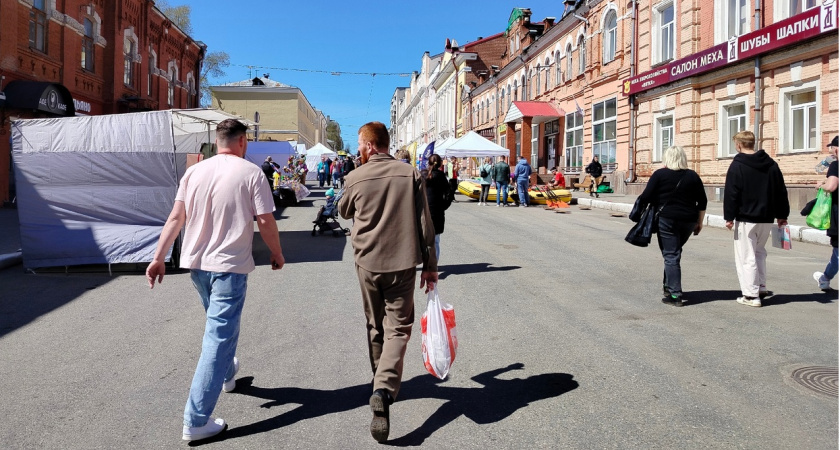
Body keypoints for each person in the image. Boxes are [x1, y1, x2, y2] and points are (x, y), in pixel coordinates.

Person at [145, 119, 285, 442]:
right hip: (229, 267)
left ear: (218, 141)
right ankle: (196, 420)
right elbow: (265, 221)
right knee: (218, 338)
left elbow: (176, 217)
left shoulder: (194, 172)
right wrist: (277, 253)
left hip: (196, 266)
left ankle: (226, 372)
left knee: (219, 328)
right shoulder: (251, 173)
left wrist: (158, 257)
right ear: (242, 142)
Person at [338, 121, 438, 443]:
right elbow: (426, 223)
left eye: (360, 146)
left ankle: (379, 381)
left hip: (367, 263)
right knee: (399, 328)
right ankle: (384, 387)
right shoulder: (409, 173)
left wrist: (355, 174)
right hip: (403, 263)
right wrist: (430, 266)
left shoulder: (356, 177)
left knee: (374, 325)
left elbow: (341, 210)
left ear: (368, 146)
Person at [724, 130, 789, 308]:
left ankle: (751, 295)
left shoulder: (737, 166)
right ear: (753, 143)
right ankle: (761, 287)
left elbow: (732, 193)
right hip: (766, 218)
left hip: (746, 218)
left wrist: (729, 217)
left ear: (738, 145)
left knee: (746, 256)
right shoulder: (771, 165)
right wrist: (782, 215)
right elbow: (781, 191)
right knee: (759, 252)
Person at [637, 146, 707, 306]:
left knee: (671, 255)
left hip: (667, 219)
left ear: (667, 158)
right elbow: (702, 201)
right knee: (674, 252)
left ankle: (675, 294)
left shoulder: (660, 174)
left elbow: (646, 196)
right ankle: (668, 286)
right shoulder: (692, 176)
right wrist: (700, 222)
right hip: (689, 220)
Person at [814, 135, 839, 291]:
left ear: (836, 148)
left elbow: (831, 186)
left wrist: (820, 185)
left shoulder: (836, 164)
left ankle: (825, 278)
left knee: (838, 251)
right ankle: (825, 278)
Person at [424, 154, 453, 261]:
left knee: (423, 239)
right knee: (435, 240)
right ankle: (433, 265)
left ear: (429, 163)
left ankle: (426, 263)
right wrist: (444, 206)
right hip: (437, 212)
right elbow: (449, 193)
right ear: (440, 163)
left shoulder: (423, 174)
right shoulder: (441, 176)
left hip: (423, 211)